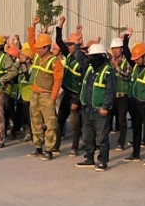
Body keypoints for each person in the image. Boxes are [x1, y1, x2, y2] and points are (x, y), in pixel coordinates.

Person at [26, 20, 63, 161]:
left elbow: (58, 81)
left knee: (50, 123)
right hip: (35, 94)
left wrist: (53, 98)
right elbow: (31, 42)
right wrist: (33, 26)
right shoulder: (37, 56)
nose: (38, 49)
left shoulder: (55, 62)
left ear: (47, 47)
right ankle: (38, 147)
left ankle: (49, 149)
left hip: (47, 96)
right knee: (35, 121)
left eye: (41, 48)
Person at [76, 43, 116, 171]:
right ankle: (89, 158)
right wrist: (77, 44)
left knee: (102, 137)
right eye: (90, 56)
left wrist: (105, 107)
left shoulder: (108, 71)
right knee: (87, 136)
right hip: (87, 109)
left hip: (100, 111)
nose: (90, 59)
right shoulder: (89, 68)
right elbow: (79, 57)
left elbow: (110, 92)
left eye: (93, 57)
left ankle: (103, 161)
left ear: (101, 57)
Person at [55, 17, 86, 157]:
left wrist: (77, 101)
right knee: (60, 120)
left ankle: (74, 148)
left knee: (75, 124)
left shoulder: (82, 61)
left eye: (71, 44)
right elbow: (59, 42)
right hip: (67, 94)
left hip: (75, 96)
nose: (68, 46)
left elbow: (83, 82)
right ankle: (56, 146)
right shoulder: (68, 55)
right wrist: (60, 26)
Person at [109, 35, 132, 151]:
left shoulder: (126, 62)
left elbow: (127, 76)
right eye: (113, 48)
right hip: (112, 96)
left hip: (123, 96)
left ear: (122, 49)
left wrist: (117, 67)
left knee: (122, 120)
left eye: (117, 48)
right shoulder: (110, 62)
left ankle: (121, 143)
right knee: (107, 119)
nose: (115, 51)